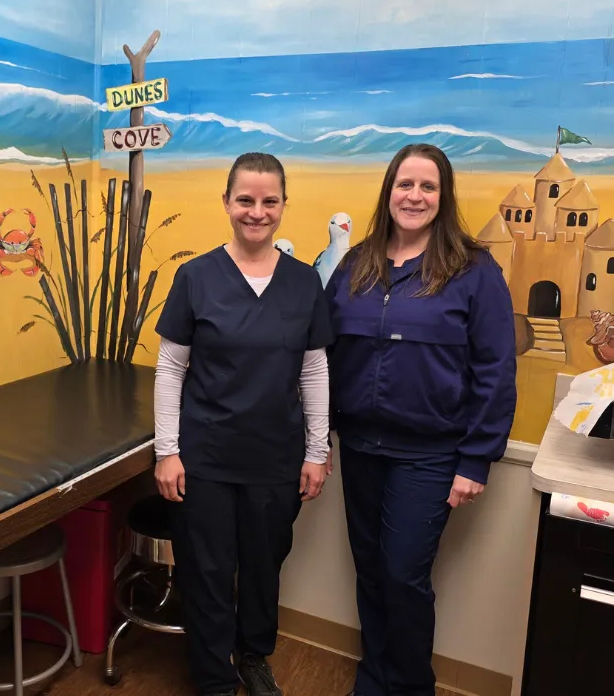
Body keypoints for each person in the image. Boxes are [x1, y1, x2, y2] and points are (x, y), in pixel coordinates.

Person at [323, 143, 517, 696]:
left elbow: (495, 371)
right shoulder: (356, 264)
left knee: (403, 575)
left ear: (443, 196)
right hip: (360, 445)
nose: (414, 195)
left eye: (427, 187)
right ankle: (373, 676)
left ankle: (410, 686)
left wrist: (476, 458)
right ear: (388, 191)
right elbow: (323, 352)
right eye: (405, 184)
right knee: (369, 568)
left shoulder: (473, 270)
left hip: (432, 455)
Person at [152, 152, 333, 696]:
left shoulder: (304, 284)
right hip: (204, 456)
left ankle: (253, 655)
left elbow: (315, 369)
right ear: (227, 202)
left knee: (263, 566)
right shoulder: (196, 277)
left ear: (283, 206)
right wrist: (167, 450)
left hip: (276, 458)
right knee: (206, 573)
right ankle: (213, 677)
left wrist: (318, 452)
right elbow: (170, 367)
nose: (257, 212)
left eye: (269, 201)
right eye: (245, 200)